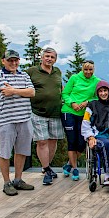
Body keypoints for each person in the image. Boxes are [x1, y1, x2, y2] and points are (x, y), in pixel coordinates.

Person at [0, 50, 35, 196]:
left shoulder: (24, 75)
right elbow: (5, 92)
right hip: (6, 119)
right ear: (3, 61)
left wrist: (13, 90)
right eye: (10, 60)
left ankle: (18, 179)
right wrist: (22, 91)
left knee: (22, 150)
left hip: (25, 118)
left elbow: (32, 93)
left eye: (16, 60)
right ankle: (7, 182)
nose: (13, 63)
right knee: (5, 152)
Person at [26, 47, 64, 185]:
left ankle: (46, 166)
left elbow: (60, 88)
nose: (49, 59)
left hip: (55, 112)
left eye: (52, 57)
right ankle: (47, 170)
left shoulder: (57, 71)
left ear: (55, 59)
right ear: (42, 57)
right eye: (47, 56)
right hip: (38, 111)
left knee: (53, 140)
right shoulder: (32, 71)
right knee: (42, 141)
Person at [61, 60, 100, 181]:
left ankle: (69, 164)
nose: (88, 72)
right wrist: (72, 103)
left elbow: (97, 96)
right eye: (86, 69)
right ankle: (75, 168)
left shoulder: (96, 81)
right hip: (69, 112)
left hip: (85, 114)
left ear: (94, 70)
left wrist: (87, 102)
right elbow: (65, 93)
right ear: (82, 69)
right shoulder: (74, 78)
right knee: (72, 140)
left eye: (90, 69)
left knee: (82, 143)